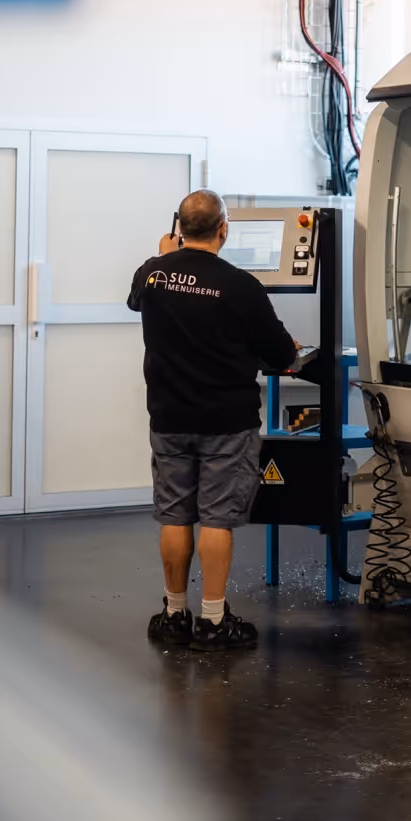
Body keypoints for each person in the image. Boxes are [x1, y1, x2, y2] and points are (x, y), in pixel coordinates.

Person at [128, 189, 298, 651]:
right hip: (226, 421)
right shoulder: (240, 285)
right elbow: (282, 352)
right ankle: (213, 621)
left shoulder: (153, 274)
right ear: (224, 230)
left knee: (175, 514)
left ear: (179, 228)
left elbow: (139, 295)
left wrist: (165, 255)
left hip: (168, 416)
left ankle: (174, 614)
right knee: (216, 520)